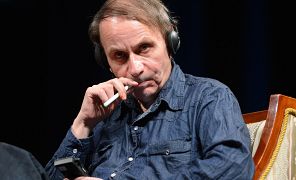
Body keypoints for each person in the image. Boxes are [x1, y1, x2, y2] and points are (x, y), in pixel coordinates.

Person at [45, 0, 255, 179]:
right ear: (106, 62)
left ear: (170, 42)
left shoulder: (209, 97)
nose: (135, 68)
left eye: (144, 48)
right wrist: (82, 124)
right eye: (119, 56)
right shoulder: (104, 116)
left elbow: (233, 169)